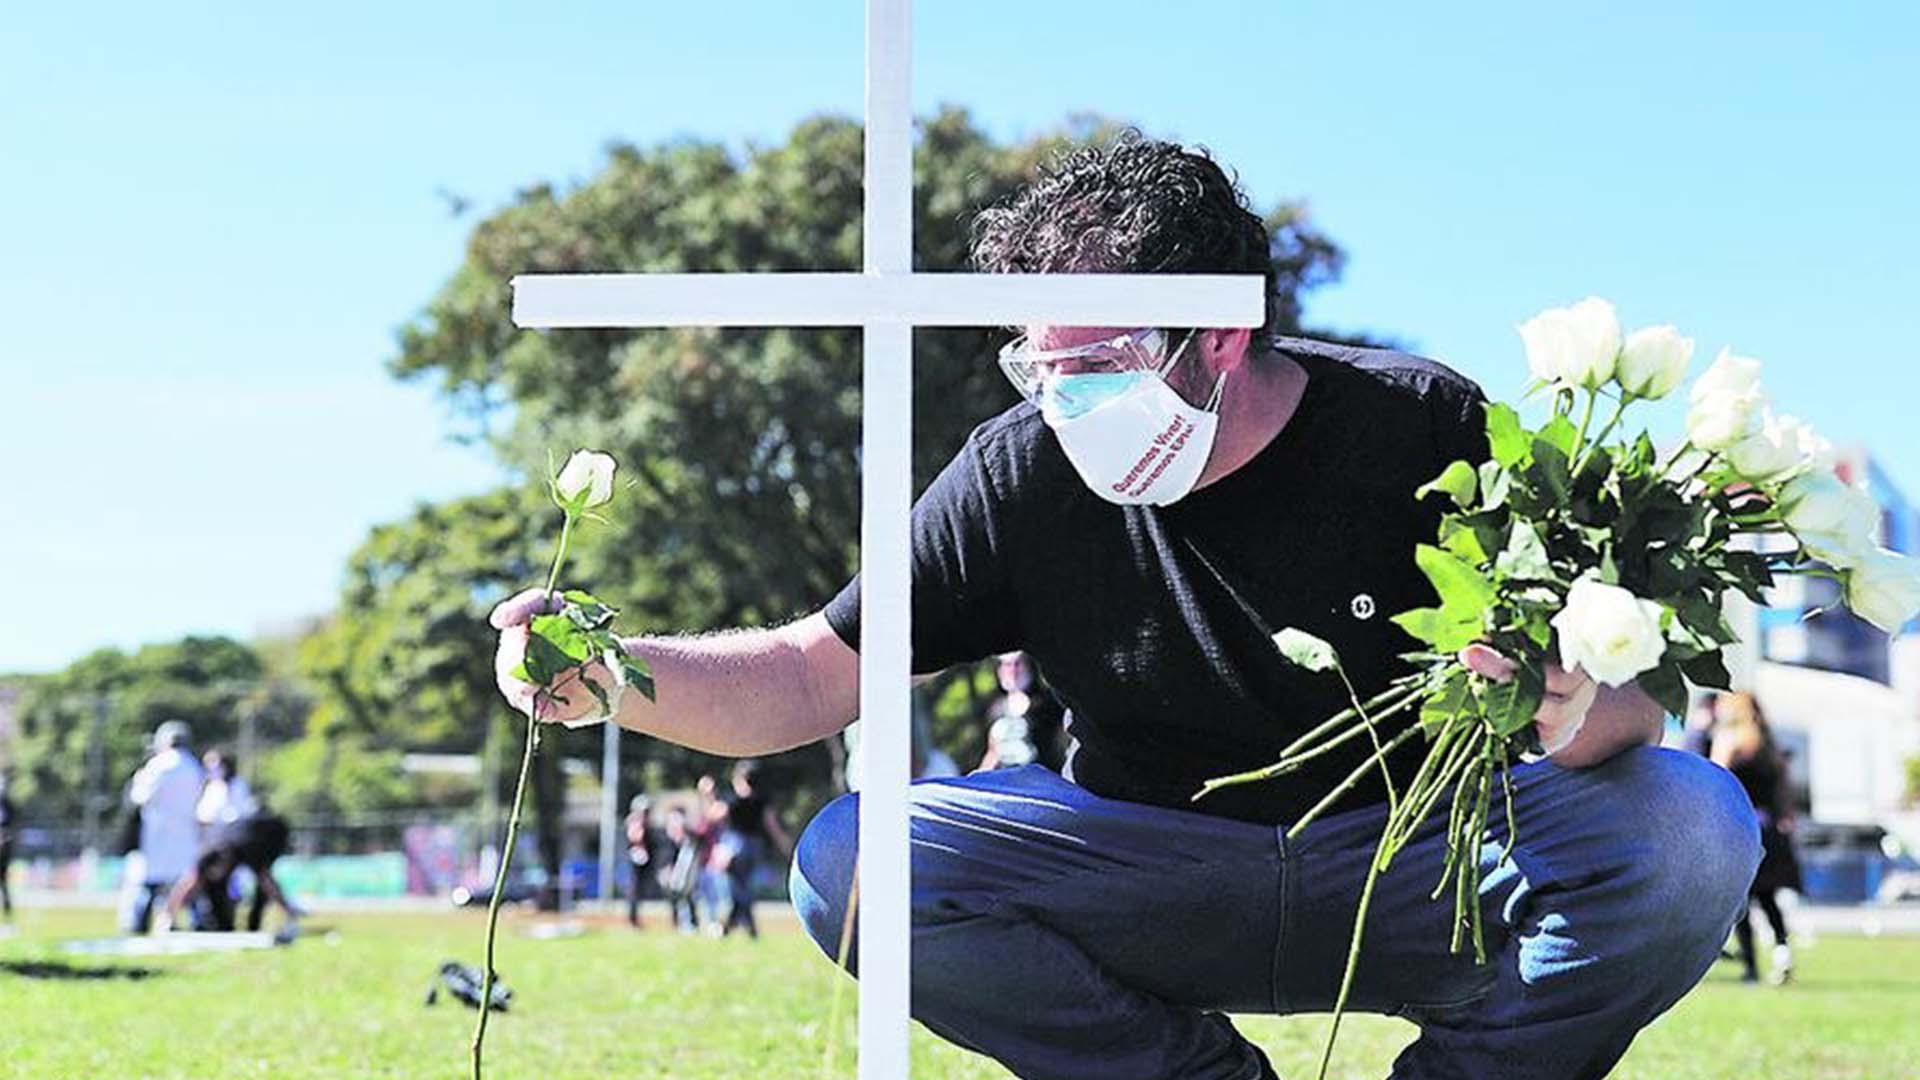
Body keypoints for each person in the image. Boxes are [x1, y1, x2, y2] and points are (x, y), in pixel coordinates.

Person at [491, 134, 1760, 1079]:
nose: (1063, 396)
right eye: (1038, 361)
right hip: (1140, 858)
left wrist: (1576, 701)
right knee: (854, 859)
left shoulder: (1420, 425)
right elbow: (814, 672)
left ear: (1219, 333)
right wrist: (614, 669)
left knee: (1693, 823)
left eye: (1097, 363)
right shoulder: (1018, 468)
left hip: (1408, 864)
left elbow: (1622, 728)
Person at [1711, 691, 1803, 985]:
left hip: (1742, 826)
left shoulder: (1729, 741)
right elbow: (1785, 793)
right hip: (1771, 828)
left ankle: (1750, 967)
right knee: (1769, 898)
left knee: (1742, 900)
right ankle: (1782, 951)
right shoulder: (1769, 747)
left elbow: (1715, 779)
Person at [120, 720, 206, 935]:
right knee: (185, 880)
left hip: (157, 834)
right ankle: (197, 921)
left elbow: (140, 797)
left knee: (149, 882)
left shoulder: (158, 765)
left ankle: (140, 924)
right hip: (186, 834)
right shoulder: (194, 766)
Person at [163, 811, 299, 935]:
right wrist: (169, 916)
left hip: (256, 837)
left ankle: (250, 925)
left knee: (215, 884)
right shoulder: (217, 851)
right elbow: (188, 884)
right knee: (212, 890)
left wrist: (288, 910)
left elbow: (267, 882)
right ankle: (222, 924)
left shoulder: (249, 847)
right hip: (233, 839)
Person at [715, 760, 793, 940]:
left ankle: (737, 926)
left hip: (734, 846)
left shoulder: (732, 800)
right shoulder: (762, 801)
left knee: (737, 888)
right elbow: (772, 826)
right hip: (754, 847)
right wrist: (786, 847)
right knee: (742, 888)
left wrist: (709, 796)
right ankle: (739, 927)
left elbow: (715, 816)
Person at [623, 795, 655, 929]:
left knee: (639, 890)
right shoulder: (634, 821)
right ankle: (632, 920)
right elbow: (635, 837)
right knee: (634, 890)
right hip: (635, 859)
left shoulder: (642, 822)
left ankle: (635, 919)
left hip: (642, 860)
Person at [0, 768, 17, 934]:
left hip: (4, 849)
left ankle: (8, 921)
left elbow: (11, 826)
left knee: (3, 883)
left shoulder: (7, 803)